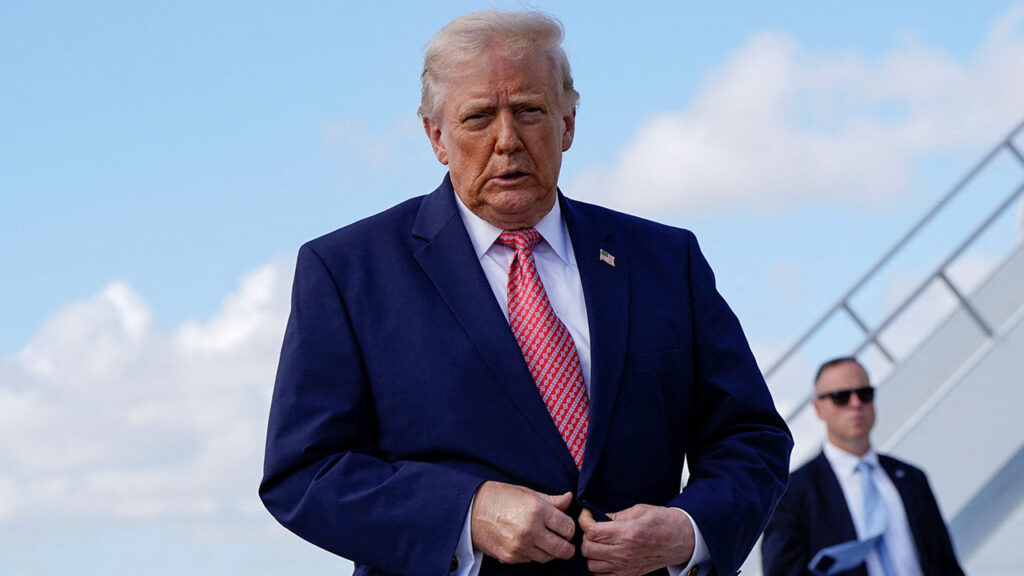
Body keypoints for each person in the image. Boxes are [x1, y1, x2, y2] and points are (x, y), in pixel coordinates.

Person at [260, 10, 792, 576]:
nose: (507, 140)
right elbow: (305, 472)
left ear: (567, 123)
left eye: (530, 111)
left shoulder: (665, 260)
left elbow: (750, 435)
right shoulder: (347, 271)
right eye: (479, 117)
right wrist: (466, 514)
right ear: (436, 137)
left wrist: (690, 530)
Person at [761, 357, 964, 576]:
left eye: (864, 394)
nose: (856, 404)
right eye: (841, 397)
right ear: (818, 409)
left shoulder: (912, 479)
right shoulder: (792, 494)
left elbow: (945, 563)